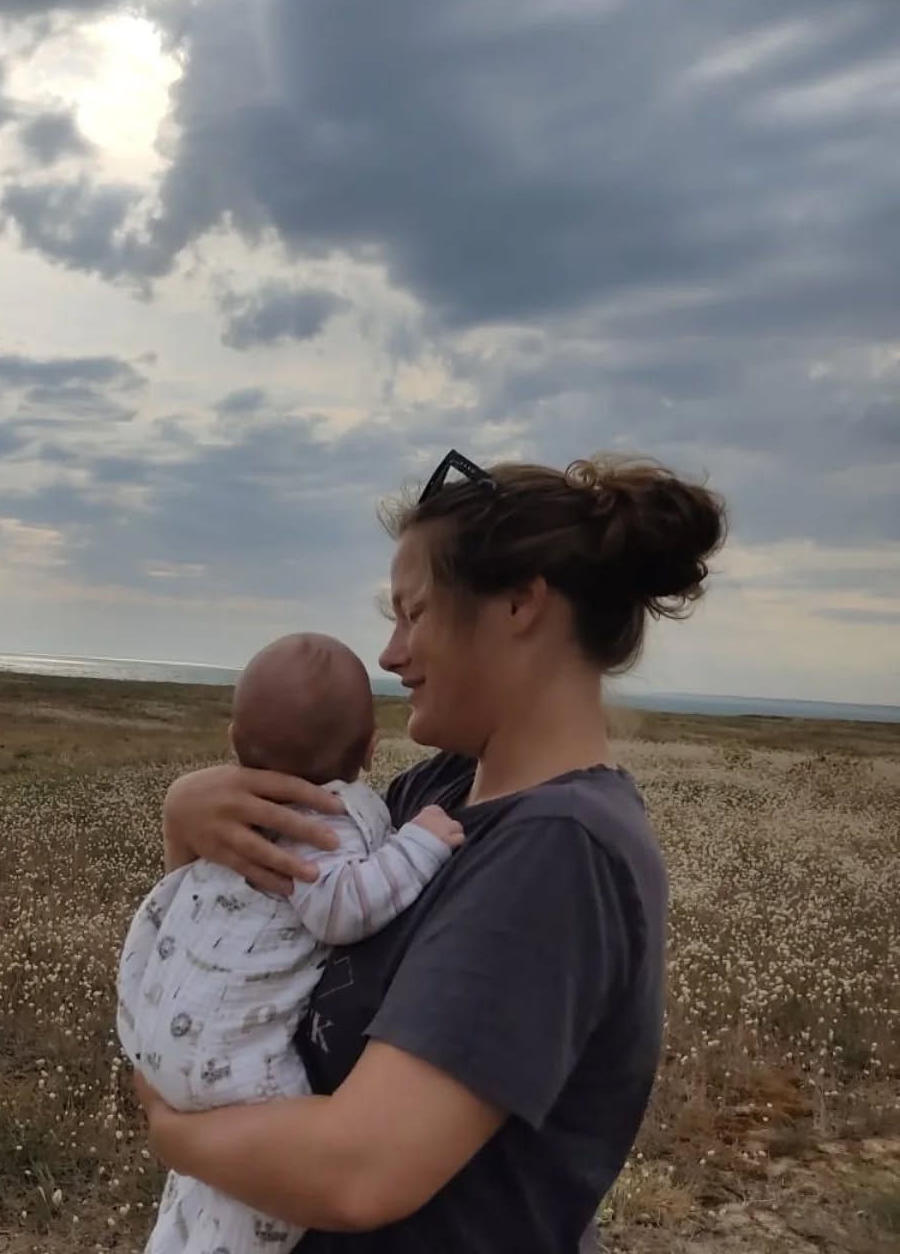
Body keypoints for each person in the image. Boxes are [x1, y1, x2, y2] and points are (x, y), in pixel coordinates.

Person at [132, 451, 726, 1254]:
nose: (390, 653)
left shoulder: (560, 852)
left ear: (520, 604)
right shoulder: (440, 793)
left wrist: (171, 1129)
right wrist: (188, 826)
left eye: (414, 614)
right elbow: (239, 951)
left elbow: (360, 1169)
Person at [117, 632, 464, 1254]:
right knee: (250, 1220)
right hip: (238, 1059)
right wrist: (422, 844)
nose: (395, 648)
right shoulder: (324, 820)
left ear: (232, 740)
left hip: (168, 1025)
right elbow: (342, 906)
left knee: (199, 1202)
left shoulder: (238, 810)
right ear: (369, 750)